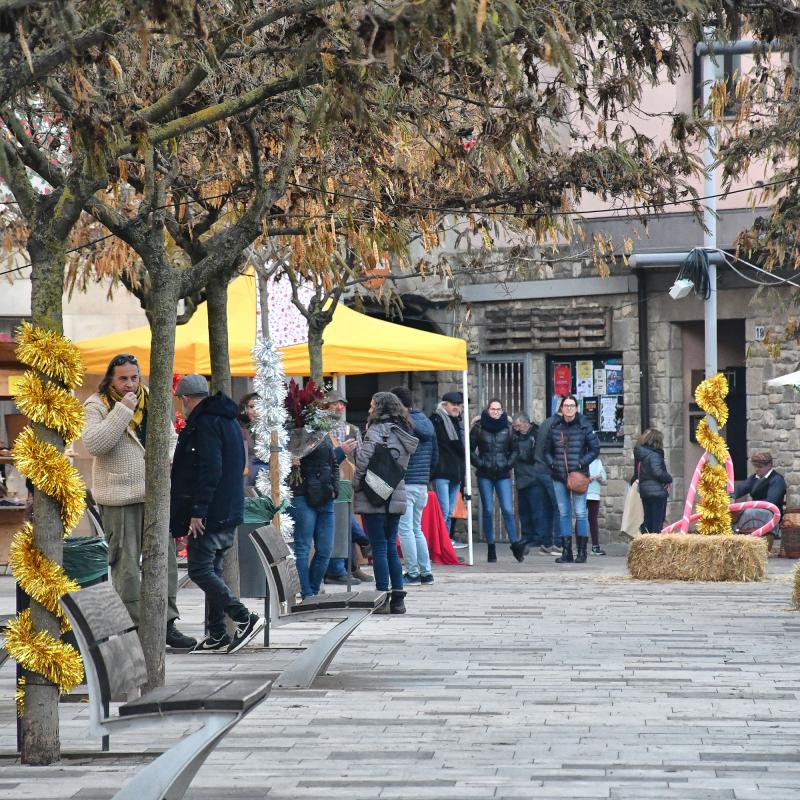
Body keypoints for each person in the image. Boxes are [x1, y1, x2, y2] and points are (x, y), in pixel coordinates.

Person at [82, 353, 195, 650]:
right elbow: (95, 444)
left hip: (156, 495)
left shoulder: (151, 399)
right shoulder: (97, 405)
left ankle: (166, 622)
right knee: (127, 565)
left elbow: (170, 438)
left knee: (165, 560)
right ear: (110, 379)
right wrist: (122, 411)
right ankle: (132, 628)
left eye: (134, 377)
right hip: (120, 498)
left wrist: (167, 461)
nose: (130, 384)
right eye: (123, 378)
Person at [170, 374, 265, 653]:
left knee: (200, 569)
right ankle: (217, 634)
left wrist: (198, 511)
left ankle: (244, 617)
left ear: (185, 399)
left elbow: (209, 469)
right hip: (228, 507)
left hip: (210, 511)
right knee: (214, 569)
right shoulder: (228, 420)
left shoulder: (205, 423)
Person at [353, 392, 418, 614]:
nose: (369, 409)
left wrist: (355, 484)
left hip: (374, 494)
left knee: (379, 547)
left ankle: (381, 597)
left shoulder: (375, 431)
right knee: (390, 545)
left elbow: (363, 461)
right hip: (396, 493)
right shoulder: (405, 432)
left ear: (379, 407)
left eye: (372, 405)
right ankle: (398, 598)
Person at [286, 414, 340, 599]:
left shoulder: (323, 436)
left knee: (325, 549)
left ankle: (313, 590)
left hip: (326, 495)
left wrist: (335, 489)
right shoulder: (294, 435)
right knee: (302, 547)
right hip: (302, 495)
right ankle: (308, 594)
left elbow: (334, 464)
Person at [390, 385, 438, 585]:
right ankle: (426, 572)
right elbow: (435, 455)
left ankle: (412, 572)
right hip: (421, 484)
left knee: (406, 530)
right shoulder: (426, 420)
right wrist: (427, 477)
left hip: (406, 481)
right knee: (417, 529)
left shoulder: (402, 424)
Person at [545, 395, 599, 564]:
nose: (568, 408)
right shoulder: (554, 427)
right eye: (565, 406)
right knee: (564, 513)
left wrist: (580, 463)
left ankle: (582, 552)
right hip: (559, 475)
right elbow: (546, 451)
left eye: (571, 405)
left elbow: (595, 448)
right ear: (561, 409)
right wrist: (553, 464)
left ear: (576, 408)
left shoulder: (584, 426)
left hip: (578, 476)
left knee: (581, 513)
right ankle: (567, 551)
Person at [323, 390, 370, 584]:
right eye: (334, 403)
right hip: (330, 478)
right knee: (341, 521)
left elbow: (361, 457)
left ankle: (353, 566)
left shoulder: (352, 429)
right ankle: (344, 565)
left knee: (346, 521)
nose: (339, 407)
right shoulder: (320, 428)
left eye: (342, 403)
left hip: (348, 481)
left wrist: (361, 480)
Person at [470, 397, 517, 562]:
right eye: (493, 409)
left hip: (503, 473)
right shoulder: (478, 427)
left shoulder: (509, 428)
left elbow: (515, 450)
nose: (496, 412)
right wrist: (480, 463)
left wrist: (508, 464)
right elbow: (469, 450)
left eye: (498, 409)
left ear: (502, 411)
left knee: (507, 510)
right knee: (488, 511)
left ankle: (515, 545)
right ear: (487, 410)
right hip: (485, 474)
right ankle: (491, 547)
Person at [430, 391, 466, 548]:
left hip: (455, 472)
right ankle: (441, 543)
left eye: (459, 405)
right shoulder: (436, 420)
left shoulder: (458, 422)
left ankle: (445, 542)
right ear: (445, 404)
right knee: (443, 510)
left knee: (450, 511)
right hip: (442, 471)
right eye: (454, 404)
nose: (456, 407)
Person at [734, 451, 786, 554]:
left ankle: (744, 537)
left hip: (771, 513)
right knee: (735, 512)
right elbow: (741, 488)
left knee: (748, 512)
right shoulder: (754, 478)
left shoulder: (777, 480)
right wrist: (730, 495)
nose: (757, 469)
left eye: (760, 466)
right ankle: (739, 538)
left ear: (769, 465)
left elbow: (771, 501)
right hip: (756, 510)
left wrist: (749, 506)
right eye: (755, 466)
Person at [530, 410, 562, 556]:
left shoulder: (546, 422)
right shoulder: (558, 424)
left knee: (546, 509)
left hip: (538, 469)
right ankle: (557, 544)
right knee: (558, 507)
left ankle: (546, 543)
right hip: (549, 470)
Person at [510, 412, 540, 562]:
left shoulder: (535, 434)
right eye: (515, 426)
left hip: (533, 478)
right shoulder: (515, 436)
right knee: (524, 511)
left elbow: (532, 456)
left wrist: (517, 454)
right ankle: (527, 536)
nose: (516, 428)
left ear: (525, 423)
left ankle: (537, 537)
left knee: (536, 509)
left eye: (518, 425)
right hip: (521, 479)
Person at [633, 428, 673, 534]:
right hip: (657, 493)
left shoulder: (642, 454)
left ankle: (646, 545)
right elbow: (658, 472)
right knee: (657, 524)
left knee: (648, 521)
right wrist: (669, 478)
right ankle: (654, 547)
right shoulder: (654, 455)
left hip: (645, 492)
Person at [238, 392, 267, 488]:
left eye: (259, 407)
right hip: (243, 480)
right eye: (252, 406)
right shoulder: (239, 429)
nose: (255, 411)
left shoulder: (271, 431)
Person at [586, 457, 607, 555]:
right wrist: (586, 477)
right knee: (581, 518)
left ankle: (595, 546)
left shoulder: (598, 462)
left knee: (593, 519)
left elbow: (604, 477)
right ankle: (579, 546)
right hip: (583, 492)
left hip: (595, 494)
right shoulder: (583, 459)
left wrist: (600, 477)